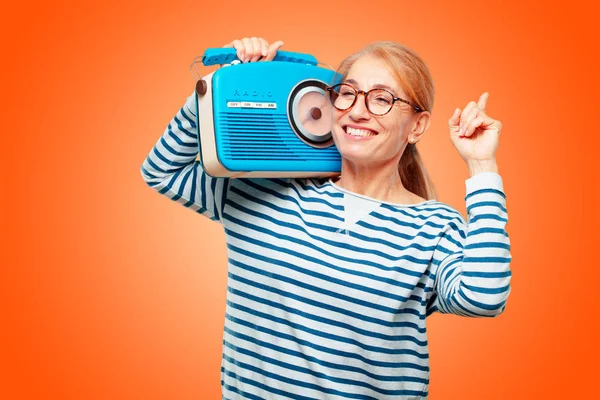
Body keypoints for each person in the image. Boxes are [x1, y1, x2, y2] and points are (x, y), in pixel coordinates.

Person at [141, 37, 512, 400]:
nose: (357, 110)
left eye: (382, 99)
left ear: (417, 126)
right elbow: (162, 171)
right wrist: (218, 88)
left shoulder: (434, 227)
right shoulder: (264, 190)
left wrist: (481, 166)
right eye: (347, 93)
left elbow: (483, 297)